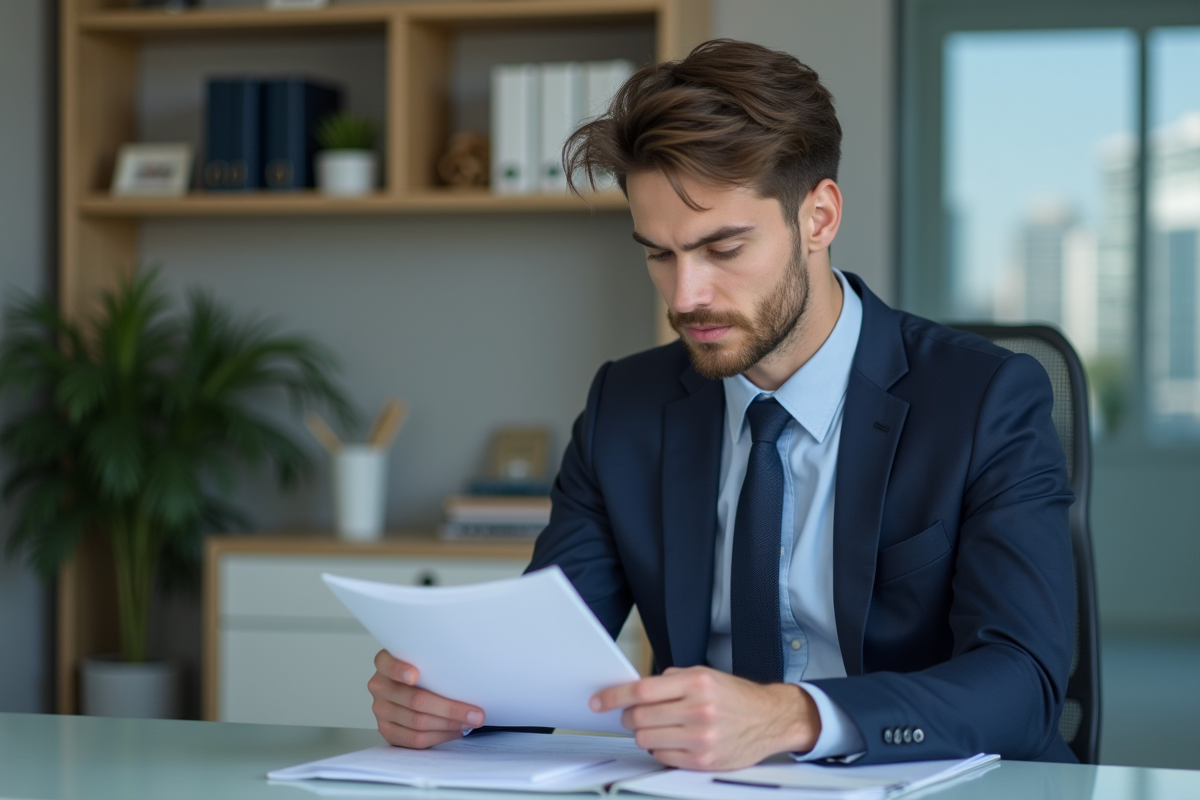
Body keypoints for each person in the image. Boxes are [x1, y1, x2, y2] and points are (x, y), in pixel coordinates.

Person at [367, 39, 1076, 770]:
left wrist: (793, 718)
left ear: (818, 218)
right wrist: (459, 703)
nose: (685, 297)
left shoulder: (985, 399)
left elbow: (1024, 682)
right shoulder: (626, 407)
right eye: (659, 254)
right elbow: (546, 651)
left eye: (724, 249)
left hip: (928, 780)